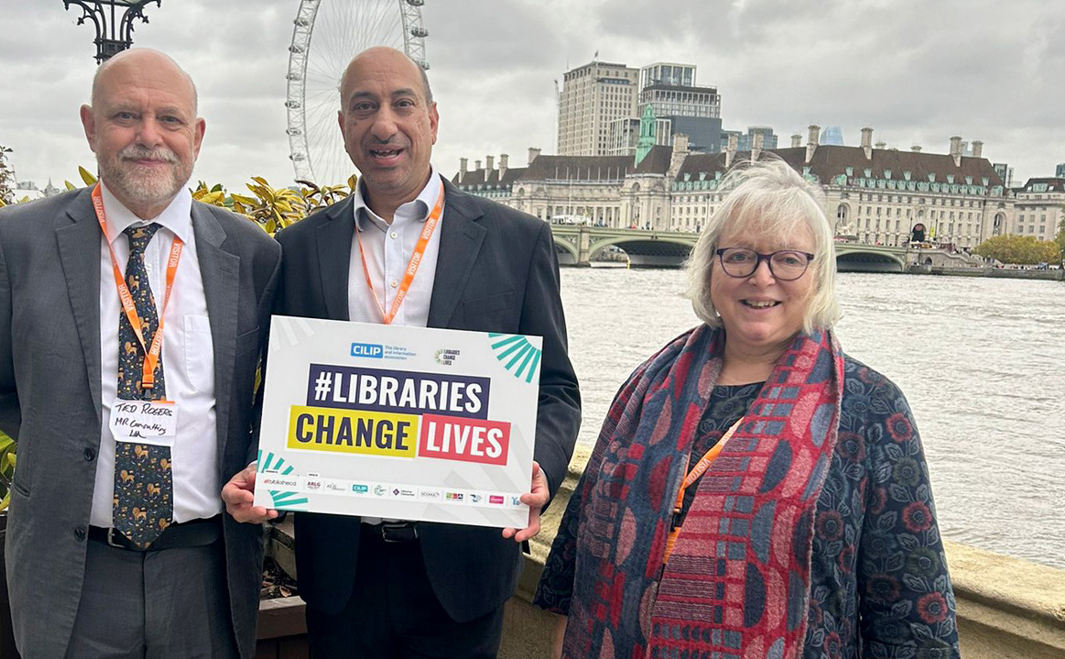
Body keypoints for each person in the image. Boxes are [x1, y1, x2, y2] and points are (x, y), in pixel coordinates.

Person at [222, 46, 581, 658]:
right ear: (342, 128)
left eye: (401, 104)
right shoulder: (298, 249)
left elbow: (555, 388)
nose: (383, 124)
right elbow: (275, 386)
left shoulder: (519, 242)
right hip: (342, 567)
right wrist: (262, 464)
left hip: (463, 566)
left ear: (433, 120)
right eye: (364, 107)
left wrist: (539, 465)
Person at [534, 158, 960, 658]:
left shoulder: (870, 408)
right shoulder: (648, 387)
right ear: (710, 268)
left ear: (818, 275)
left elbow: (910, 612)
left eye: (788, 259)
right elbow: (574, 560)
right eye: (739, 256)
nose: (761, 278)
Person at [0, 49, 280, 658]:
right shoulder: (18, 241)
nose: (148, 137)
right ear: (90, 126)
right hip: (73, 570)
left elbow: (267, 397)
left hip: (206, 572)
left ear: (196, 136)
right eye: (124, 116)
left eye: (169, 119)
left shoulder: (252, 253)